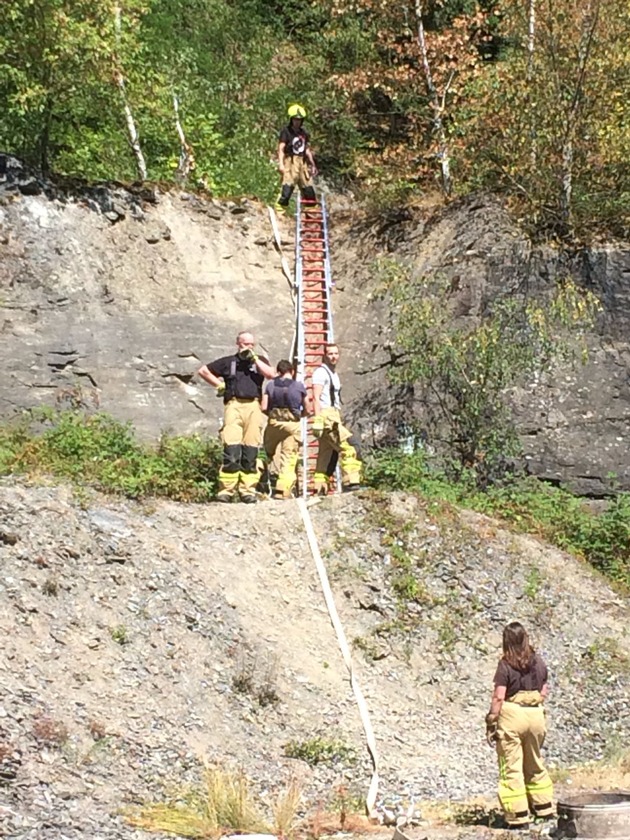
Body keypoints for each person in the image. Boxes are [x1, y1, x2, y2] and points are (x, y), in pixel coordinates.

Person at [486, 622, 554, 829]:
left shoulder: (505, 665)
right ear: (525, 638)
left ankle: (518, 816)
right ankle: (544, 808)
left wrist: (491, 720)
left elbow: (499, 697)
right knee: (534, 762)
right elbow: (544, 690)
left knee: (511, 766)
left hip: (512, 716)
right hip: (536, 716)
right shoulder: (538, 661)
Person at [197, 331, 275, 503]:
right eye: (245, 344)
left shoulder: (259, 361)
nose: (248, 347)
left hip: (253, 405)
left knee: (251, 449)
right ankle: (226, 490)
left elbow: (271, 374)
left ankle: (247, 490)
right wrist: (219, 384)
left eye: (251, 344)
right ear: (238, 343)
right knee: (231, 448)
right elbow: (203, 371)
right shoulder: (229, 362)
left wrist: (254, 358)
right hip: (233, 404)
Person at [311, 343, 362, 494]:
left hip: (334, 414)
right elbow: (315, 396)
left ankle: (320, 487)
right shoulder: (320, 373)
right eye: (330, 354)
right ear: (324, 355)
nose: (333, 357)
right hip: (327, 416)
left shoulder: (333, 374)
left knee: (326, 454)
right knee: (350, 446)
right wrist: (318, 418)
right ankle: (351, 482)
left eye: (336, 354)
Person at [261, 359, 312, 499]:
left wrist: (272, 417)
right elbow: (308, 408)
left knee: (265, 453)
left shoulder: (270, 385)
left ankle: (253, 482)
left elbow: (264, 407)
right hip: (292, 425)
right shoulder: (299, 386)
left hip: (274, 424)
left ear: (278, 372)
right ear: (292, 371)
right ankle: (282, 491)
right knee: (289, 458)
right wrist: (301, 415)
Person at [275, 103, 318, 213]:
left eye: (299, 119)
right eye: (295, 119)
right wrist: (281, 163)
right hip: (291, 160)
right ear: (291, 119)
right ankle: (280, 210)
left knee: (307, 186)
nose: (297, 122)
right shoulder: (286, 131)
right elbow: (281, 148)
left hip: (302, 161)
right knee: (288, 184)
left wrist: (312, 164)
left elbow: (307, 149)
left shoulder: (304, 133)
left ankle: (311, 212)